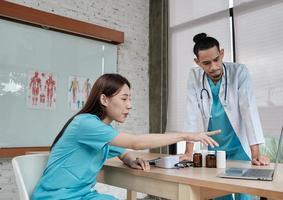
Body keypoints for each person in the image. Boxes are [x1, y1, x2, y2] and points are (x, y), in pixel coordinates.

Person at [31, 73, 220, 200]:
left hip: (83, 195)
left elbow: (125, 151)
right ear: (104, 99)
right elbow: (136, 143)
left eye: (130, 99)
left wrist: (130, 159)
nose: (129, 105)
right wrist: (187, 135)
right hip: (57, 197)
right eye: (124, 99)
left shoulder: (102, 131)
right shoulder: (86, 123)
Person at [182, 33, 270, 200]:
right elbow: (191, 112)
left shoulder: (239, 72)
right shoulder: (194, 76)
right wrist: (188, 152)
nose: (214, 67)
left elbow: (248, 110)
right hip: (214, 149)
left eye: (216, 59)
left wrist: (256, 154)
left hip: (239, 149)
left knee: (245, 195)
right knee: (220, 194)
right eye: (206, 63)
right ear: (197, 62)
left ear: (222, 53)